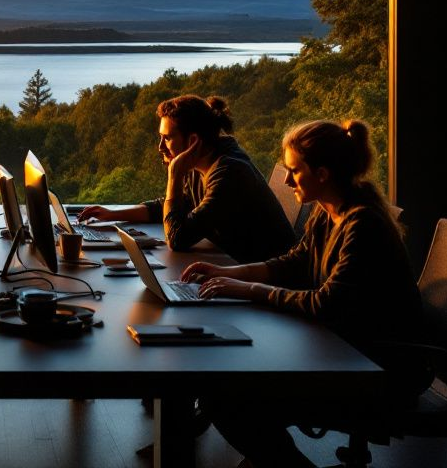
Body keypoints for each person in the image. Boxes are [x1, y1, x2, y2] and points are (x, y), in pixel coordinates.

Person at [182, 119, 428, 468]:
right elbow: (291, 264)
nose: (285, 180)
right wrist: (226, 272)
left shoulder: (362, 225)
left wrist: (248, 290)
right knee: (227, 390)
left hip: (376, 368)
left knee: (227, 399)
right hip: (345, 351)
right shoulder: (329, 212)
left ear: (323, 174)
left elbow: (325, 302)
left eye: (294, 171)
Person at [78, 94, 295, 263]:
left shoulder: (229, 172)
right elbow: (168, 207)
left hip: (264, 286)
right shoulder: (201, 160)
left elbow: (178, 238)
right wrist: (111, 215)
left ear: (192, 141)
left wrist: (175, 174)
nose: (160, 146)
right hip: (231, 268)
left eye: (167, 138)